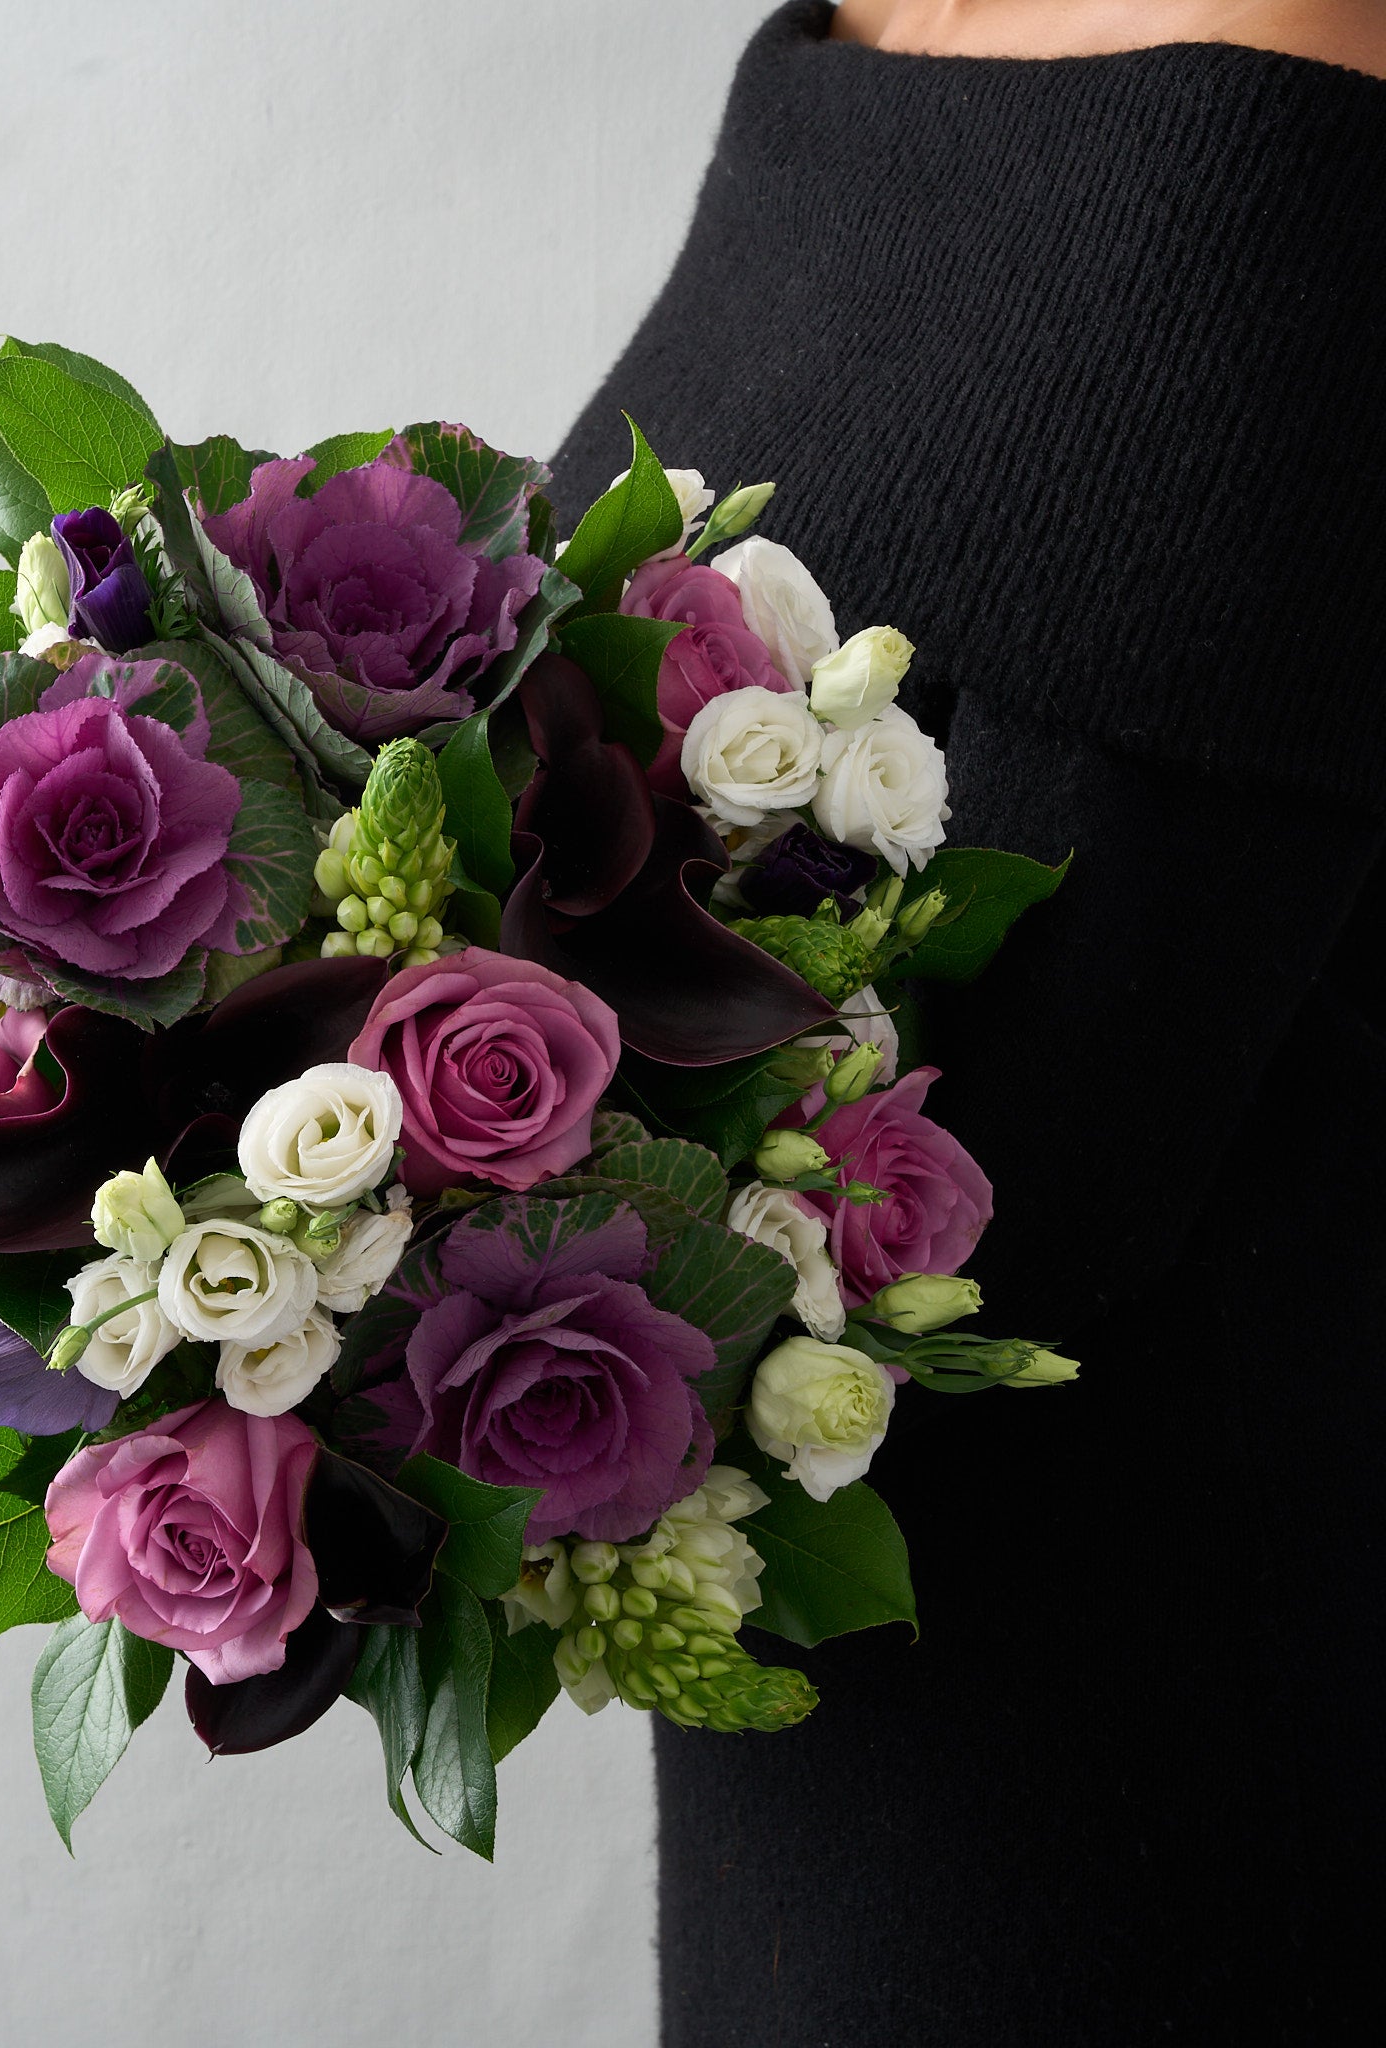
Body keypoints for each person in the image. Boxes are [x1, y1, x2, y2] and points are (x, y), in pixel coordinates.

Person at [547, 4, 1386, 2042]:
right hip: (884, 1800)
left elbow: (947, 1196)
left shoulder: (1262, 153)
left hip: (1140, 1838)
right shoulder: (879, 33)